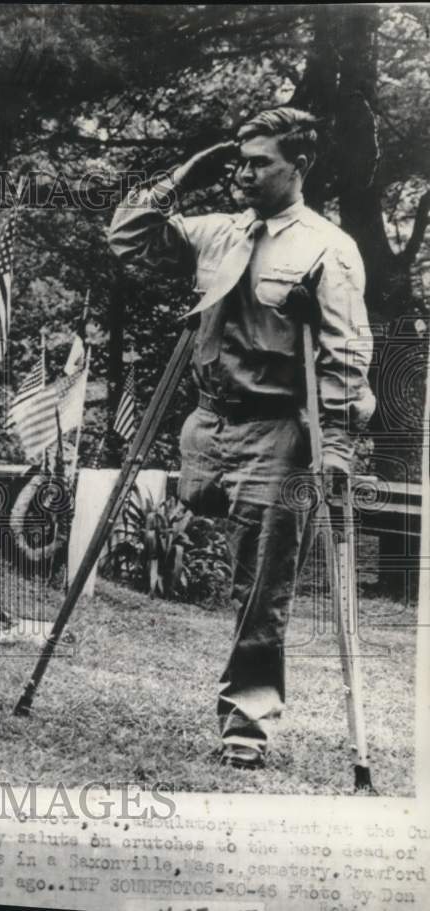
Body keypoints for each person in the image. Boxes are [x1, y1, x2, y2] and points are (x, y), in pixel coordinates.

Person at [109, 107, 375, 769]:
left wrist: (337, 443)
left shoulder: (328, 247)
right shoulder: (217, 232)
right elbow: (128, 240)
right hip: (206, 424)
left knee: (262, 584)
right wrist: (181, 177)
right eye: (241, 161)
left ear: (299, 166)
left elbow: (345, 355)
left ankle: (245, 725)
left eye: (261, 162)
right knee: (213, 533)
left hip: (277, 430)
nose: (244, 173)